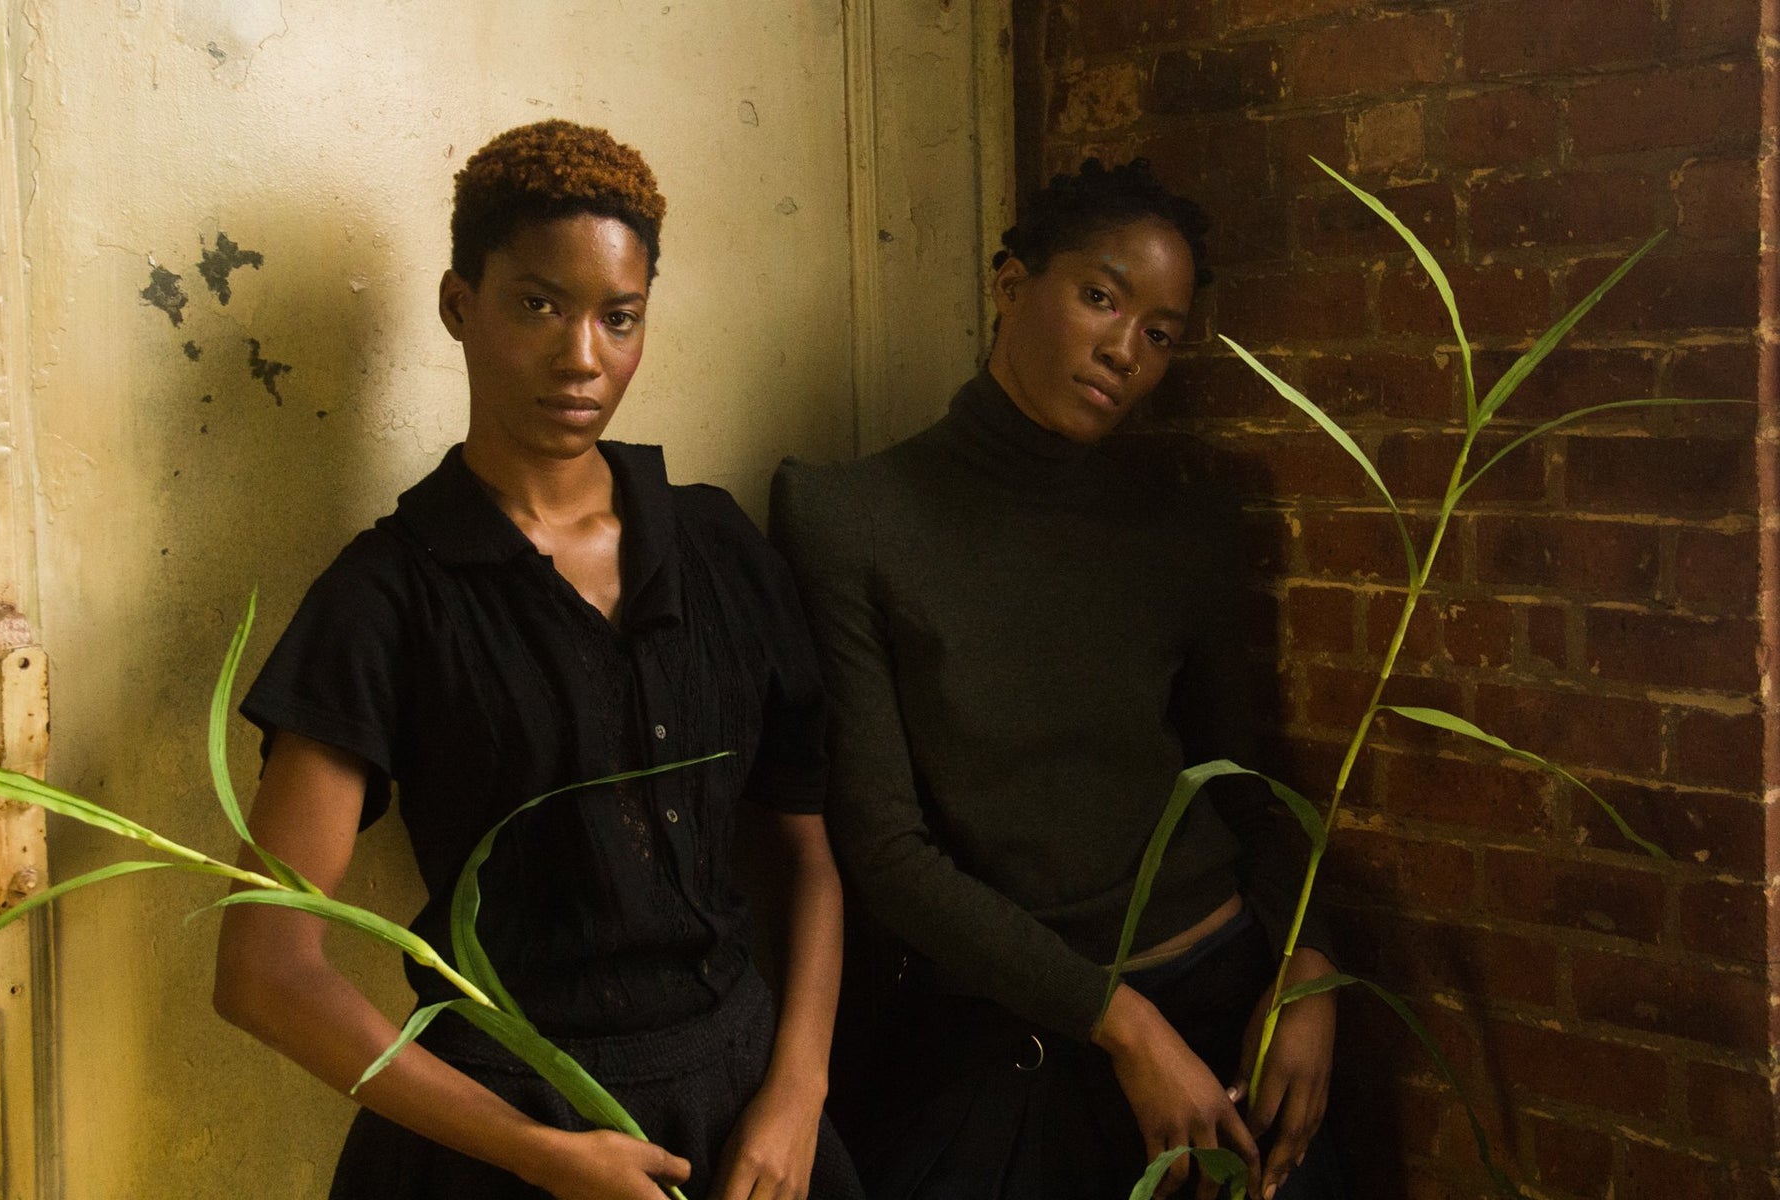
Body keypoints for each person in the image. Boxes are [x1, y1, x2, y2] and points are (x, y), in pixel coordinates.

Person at [214, 120, 862, 1200]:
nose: (582, 357)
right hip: (505, 1136)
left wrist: (796, 1100)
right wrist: (538, 1155)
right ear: (459, 305)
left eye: (620, 318)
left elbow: (806, 859)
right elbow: (264, 971)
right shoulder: (388, 596)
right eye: (538, 305)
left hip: (747, 1121)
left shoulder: (717, 549)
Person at [770, 158, 1344, 1200]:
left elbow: (1245, 784)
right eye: (1100, 297)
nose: (1125, 350)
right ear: (1009, 281)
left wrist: (1311, 966)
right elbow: (886, 850)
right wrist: (1123, 1025)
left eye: (1160, 334)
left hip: (1232, 1017)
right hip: (1031, 1031)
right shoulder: (848, 517)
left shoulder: (1185, 532)